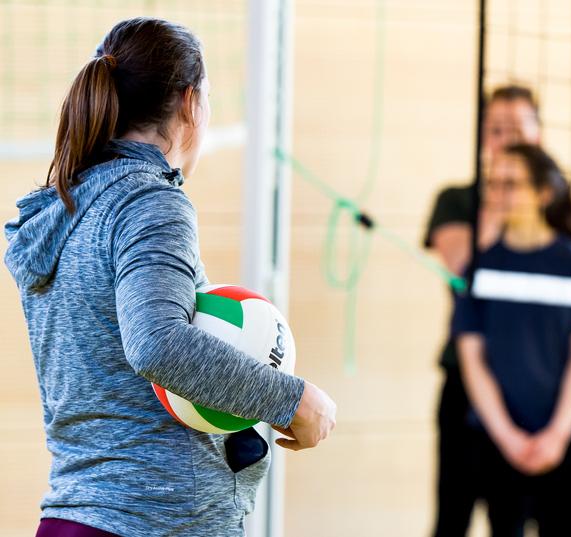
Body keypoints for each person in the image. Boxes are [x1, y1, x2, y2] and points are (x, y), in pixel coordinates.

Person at [4, 18, 336, 537]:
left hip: (73, 518)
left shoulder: (64, 211)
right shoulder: (151, 201)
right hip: (153, 521)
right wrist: (292, 399)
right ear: (189, 104)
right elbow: (157, 345)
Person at [452, 144, 571, 536]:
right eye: (494, 183)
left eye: (511, 184)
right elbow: (473, 361)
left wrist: (556, 437)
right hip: (499, 442)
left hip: (569, 440)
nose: (498, 193)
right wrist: (508, 437)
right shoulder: (481, 265)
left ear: (543, 193)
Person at [423, 85, 542, 536]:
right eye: (496, 130)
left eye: (517, 130)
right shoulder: (456, 201)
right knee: (451, 518)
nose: (506, 140)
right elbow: (461, 262)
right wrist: (501, 191)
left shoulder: (551, 209)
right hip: (464, 387)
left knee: (511, 522)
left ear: (539, 136)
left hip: (528, 392)